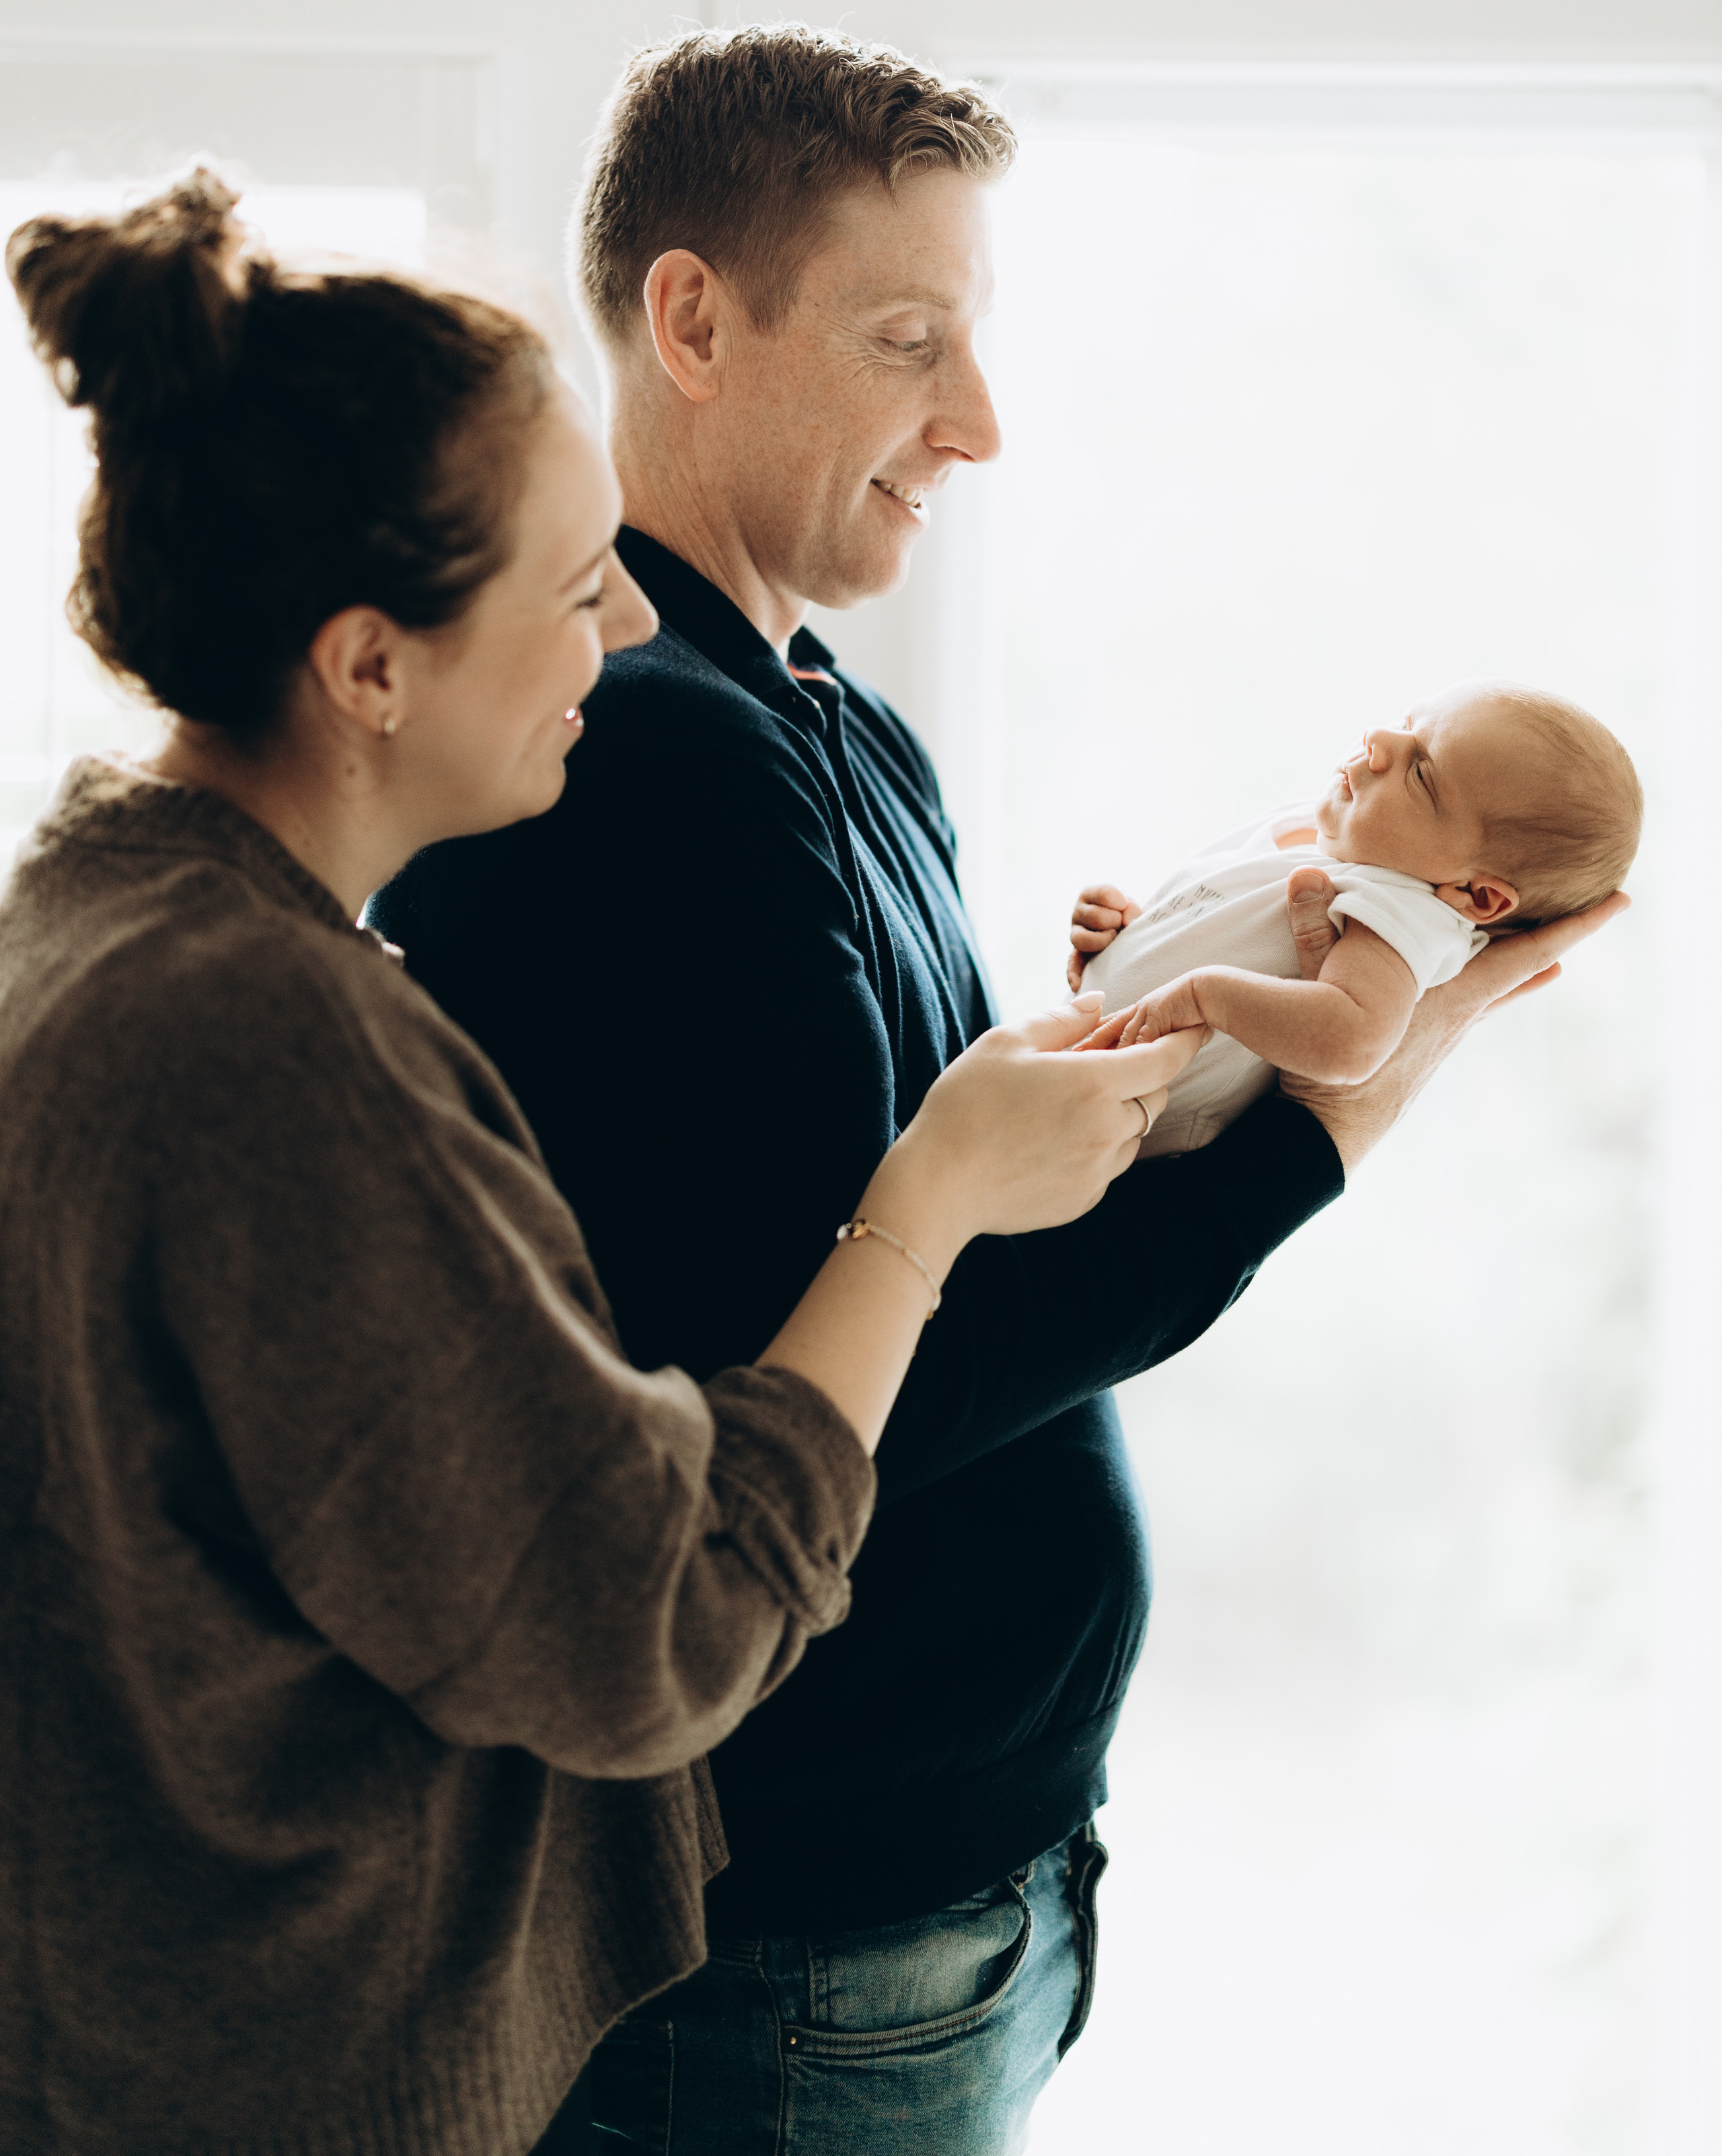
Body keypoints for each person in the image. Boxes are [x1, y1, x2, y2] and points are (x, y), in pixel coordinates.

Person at [370, 28, 1624, 2156]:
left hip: (940, 1890)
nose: (976, 420)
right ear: (692, 318)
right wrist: (1339, 1117)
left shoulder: (829, 721)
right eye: (904, 340)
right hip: (799, 1942)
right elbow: (836, 1386)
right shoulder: (649, 759)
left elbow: (967, 1222)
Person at [0, 171, 1197, 2156]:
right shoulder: (268, 1037)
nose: (633, 620)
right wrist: (927, 1200)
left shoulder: (107, 918)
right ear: (370, 665)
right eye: (573, 585)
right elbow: (647, 1628)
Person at [1070, 679, 1641, 1153]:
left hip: (1128, 1139)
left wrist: (1204, 995)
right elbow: (1234, 932)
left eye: (1421, 774)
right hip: (1081, 1080)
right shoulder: (1347, 845)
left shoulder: (1407, 911)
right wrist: (1132, 935)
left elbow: (1354, 1042)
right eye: (1409, 723)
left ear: (1480, 897)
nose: (1380, 739)